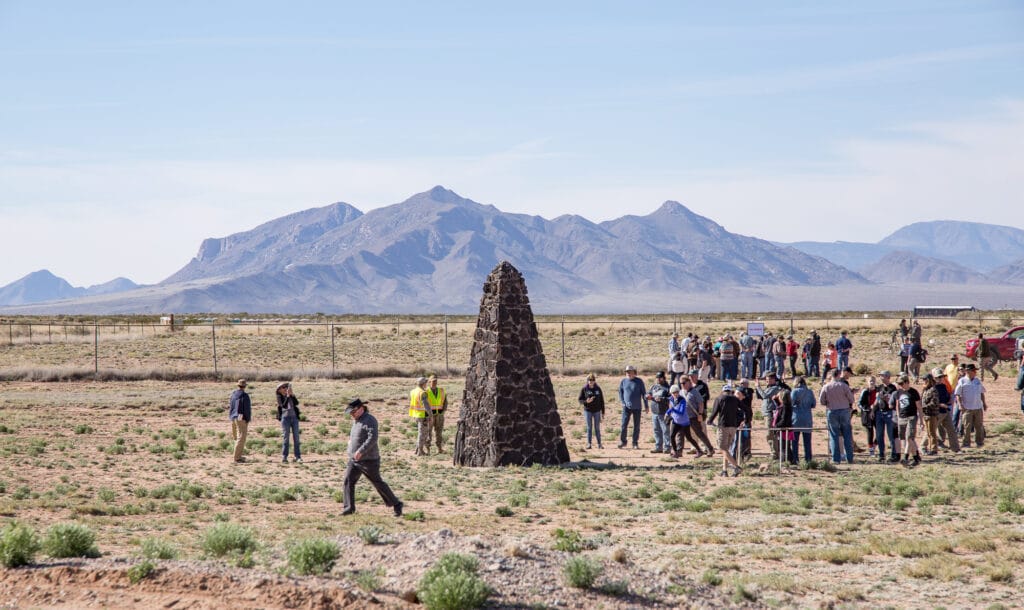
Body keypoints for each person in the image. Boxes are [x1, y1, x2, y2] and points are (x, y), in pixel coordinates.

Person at [341, 398, 402, 517]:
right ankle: (349, 508)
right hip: (354, 459)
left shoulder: (370, 420)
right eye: (351, 413)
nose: (352, 415)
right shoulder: (357, 420)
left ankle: (397, 504)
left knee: (377, 483)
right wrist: (351, 448)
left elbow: (372, 438)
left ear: (361, 409)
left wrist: (361, 451)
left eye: (353, 412)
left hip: (369, 460)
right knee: (348, 481)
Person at [819, 369, 854, 464]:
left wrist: (829, 402)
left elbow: (822, 401)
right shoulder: (844, 386)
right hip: (844, 411)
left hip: (832, 411)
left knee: (834, 435)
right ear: (839, 375)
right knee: (847, 434)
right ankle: (850, 458)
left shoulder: (826, 387)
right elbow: (852, 399)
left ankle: (836, 459)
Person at [708, 383, 743, 476]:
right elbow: (744, 409)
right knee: (726, 449)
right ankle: (724, 470)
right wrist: (743, 420)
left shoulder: (719, 398)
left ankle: (736, 467)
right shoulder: (736, 399)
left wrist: (710, 421)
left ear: (723, 391)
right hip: (733, 427)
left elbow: (714, 412)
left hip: (723, 426)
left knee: (722, 448)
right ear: (731, 391)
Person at [755, 371, 789, 460]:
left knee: (770, 434)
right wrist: (757, 388)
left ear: (774, 379)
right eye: (766, 379)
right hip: (766, 413)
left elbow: (765, 396)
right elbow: (760, 396)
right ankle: (774, 452)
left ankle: (774, 453)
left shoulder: (775, 388)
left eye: (769, 379)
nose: (767, 381)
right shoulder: (769, 387)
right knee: (769, 434)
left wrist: (758, 387)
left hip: (770, 413)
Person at [892, 374, 922, 467]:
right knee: (905, 439)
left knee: (909, 437)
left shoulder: (914, 392)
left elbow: (919, 407)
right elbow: (897, 405)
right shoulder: (898, 393)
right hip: (902, 418)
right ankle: (916, 458)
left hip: (911, 417)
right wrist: (898, 416)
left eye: (901, 383)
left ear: (906, 382)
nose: (900, 385)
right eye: (899, 384)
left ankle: (905, 458)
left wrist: (921, 420)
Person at [681, 376, 715, 457]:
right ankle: (698, 450)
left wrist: (700, 414)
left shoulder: (694, 392)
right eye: (681, 383)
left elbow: (701, 403)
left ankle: (710, 449)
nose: (682, 385)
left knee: (700, 433)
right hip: (685, 418)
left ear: (688, 382)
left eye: (683, 383)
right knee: (687, 435)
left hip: (694, 417)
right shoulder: (681, 392)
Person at [956, 363, 988, 447]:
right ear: (968, 371)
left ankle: (979, 442)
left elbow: (981, 393)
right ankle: (966, 443)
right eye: (973, 371)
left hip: (978, 407)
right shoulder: (962, 381)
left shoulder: (977, 381)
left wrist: (984, 403)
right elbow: (958, 394)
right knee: (967, 426)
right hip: (967, 408)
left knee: (979, 426)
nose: (975, 372)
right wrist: (960, 405)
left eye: (975, 371)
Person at [665, 384, 700, 458]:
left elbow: (681, 412)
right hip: (676, 421)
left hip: (684, 422)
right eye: (674, 393)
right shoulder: (671, 399)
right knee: (672, 436)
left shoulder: (682, 400)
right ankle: (675, 452)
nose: (675, 394)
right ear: (671, 393)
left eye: (677, 392)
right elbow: (670, 407)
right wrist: (667, 413)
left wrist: (672, 409)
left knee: (689, 438)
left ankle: (699, 450)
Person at [618, 365, 648, 449]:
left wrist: (646, 405)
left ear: (634, 372)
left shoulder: (639, 381)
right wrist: (623, 402)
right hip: (626, 408)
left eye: (629, 372)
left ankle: (635, 443)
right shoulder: (623, 381)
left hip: (637, 407)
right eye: (627, 372)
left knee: (636, 426)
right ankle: (623, 441)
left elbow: (644, 394)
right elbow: (620, 392)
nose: (628, 373)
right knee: (624, 425)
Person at [873, 371, 899, 463]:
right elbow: (876, 400)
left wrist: (884, 397)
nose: (881, 377)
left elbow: (892, 400)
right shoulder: (879, 387)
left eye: (882, 376)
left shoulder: (893, 388)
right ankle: (881, 454)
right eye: (880, 376)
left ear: (888, 377)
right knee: (879, 434)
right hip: (879, 412)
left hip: (889, 412)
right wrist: (873, 410)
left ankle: (893, 453)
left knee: (891, 434)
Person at [790, 376, 815, 462]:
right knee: (807, 442)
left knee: (795, 441)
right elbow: (814, 404)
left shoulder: (794, 392)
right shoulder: (810, 392)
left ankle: (795, 459)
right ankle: (808, 460)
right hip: (807, 418)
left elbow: (791, 403)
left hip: (796, 418)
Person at [276, 382, 302, 463]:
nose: (285, 389)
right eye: (283, 387)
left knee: (296, 438)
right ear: (279, 390)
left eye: (286, 387)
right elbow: (283, 405)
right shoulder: (279, 397)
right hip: (285, 418)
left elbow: (296, 403)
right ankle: (284, 457)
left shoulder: (290, 395)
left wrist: (292, 395)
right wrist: (287, 396)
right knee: (286, 438)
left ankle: (297, 457)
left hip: (294, 418)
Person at [578, 373, 605, 449]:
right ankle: (589, 444)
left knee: (597, 428)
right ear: (587, 381)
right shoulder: (584, 389)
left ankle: (599, 444)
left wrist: (603, 412)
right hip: (588, 411)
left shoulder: (598, 389)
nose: (591, 381)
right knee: (589, 428)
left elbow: (602, 401)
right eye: (590, 380)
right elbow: (580, 400)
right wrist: (586, 401)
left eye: (593, 380)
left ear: (595, 381)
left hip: (597, 411)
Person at [408, 376, 433, 455]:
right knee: (423, 434)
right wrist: (430, 415)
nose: (427, 384)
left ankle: (417, 450)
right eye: (426, 382)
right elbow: (426, 406)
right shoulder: (422, 393)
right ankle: (420, 451)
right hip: (422, 415)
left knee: (420, 432)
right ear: (423, 384)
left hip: (415, 414)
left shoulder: (413, 391)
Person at [647, 371, 671, 453]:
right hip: (654, 412)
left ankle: (667, 447)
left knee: (665, 430)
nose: (658, 379)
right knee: (656, 430)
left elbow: (671, 399)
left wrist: (662, 399)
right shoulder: (654, 387)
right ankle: (658, 447)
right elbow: (648, 394)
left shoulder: (668, 387)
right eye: (657, 378)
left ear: (663, 378)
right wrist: (647, 396)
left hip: (664, 412)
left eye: (660, 378)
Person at [229, 379, 251, 463]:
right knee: (241, 437)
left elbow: (231, 406)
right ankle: (237, 457)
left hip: (234, 417)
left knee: (237, 436)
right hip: (241, 418)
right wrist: (248, 419)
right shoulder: (244, 396)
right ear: (245, 386)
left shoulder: (233, 394)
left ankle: (237, 455)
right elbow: (246, 409)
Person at [857, 376, 877, 457]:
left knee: (879, 432)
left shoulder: (878, 390)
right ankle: (871, 449)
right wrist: (868, 409)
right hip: (867, 414)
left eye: (873, 381)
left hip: (877, 413)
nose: (872, 382)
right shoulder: (865, 391)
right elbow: (859, 403)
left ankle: (874, 446)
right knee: (870, 432)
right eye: (870, 381)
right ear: (867, 382)